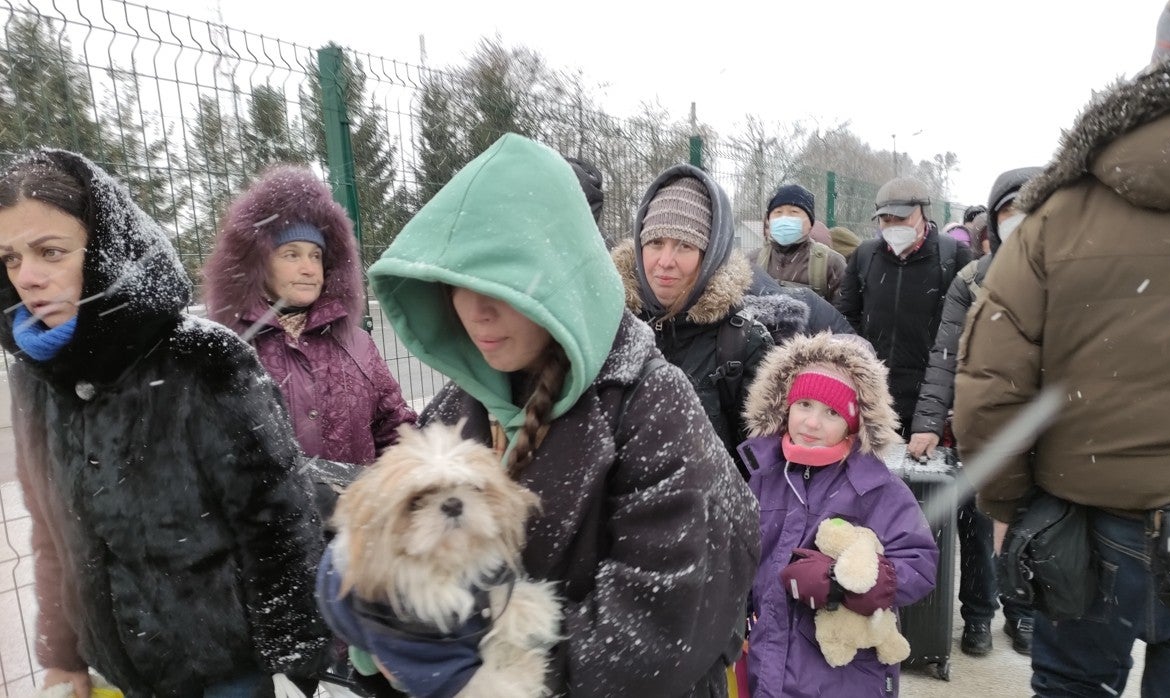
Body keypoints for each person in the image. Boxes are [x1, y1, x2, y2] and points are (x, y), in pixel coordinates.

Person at [363, 133, 760, 695]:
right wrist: (377, 622)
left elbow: (664, 624)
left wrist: (494, 672)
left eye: (501, 283)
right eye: (456, 283)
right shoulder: (461, 406)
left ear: (560, 277)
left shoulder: (654, 406)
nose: (475, 310)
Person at [954, 4, 1170, 694]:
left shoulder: (1062, 208)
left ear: (1158, 68)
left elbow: (992, 386)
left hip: (1085, 525)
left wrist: (1016, 507)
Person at [1, 149, 327, 697]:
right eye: (9, 258)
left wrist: (297, 661)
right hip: (113, 669)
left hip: (222, 673)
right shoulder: (35, 376)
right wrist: (63, 655)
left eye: (50, 252)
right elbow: (49, 534)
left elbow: (277, 520)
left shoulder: (199, 358)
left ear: (105, 248)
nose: (27, 277)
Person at [738, 332, 938, 697]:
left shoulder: (877, 490)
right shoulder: (764, 478)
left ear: (855, 423)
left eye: (831, 412)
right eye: (804, 405)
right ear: (785, 406)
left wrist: (840, 581)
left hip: (844, 676)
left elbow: (919, 564)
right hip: (767, 663)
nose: (812, 423)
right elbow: (740, 559)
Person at [907, 167, 1042, 657]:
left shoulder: (1072, 273)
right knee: (981, 528)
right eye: (1010, 210)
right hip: (982, 426)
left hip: (1047, 428)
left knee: (1036, 529)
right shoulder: (972, 280)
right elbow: (944, 356)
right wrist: (926, 423)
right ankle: (980, 616)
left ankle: (1025, 613)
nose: (1021, 220)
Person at [204, 165, 416, 466]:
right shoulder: (229, 347)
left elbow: (397, 431)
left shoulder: (357, 344)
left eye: (315, 255)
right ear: (259, 265)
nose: (308, 268)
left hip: (353, 511)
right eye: (291, 254)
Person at [610, 167, 775, 474]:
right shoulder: (610, 326)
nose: (665, 261)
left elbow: (762, 474)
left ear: (710, 253)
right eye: (656, 242)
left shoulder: (744, 343)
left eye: (684, 245)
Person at [834, 175, 973, 439]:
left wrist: (945, 400)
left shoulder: (954, 256)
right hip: (873, 398)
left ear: (923, 214)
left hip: (931, 397)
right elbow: (846, 316)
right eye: (887, 220)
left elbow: (967, 328)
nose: (894, 226)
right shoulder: (865, 256)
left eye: (902, 219)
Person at [748, 184, 847, 303]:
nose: (784, 218)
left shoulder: (831, 263)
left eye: (794, 212)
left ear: (810, 222)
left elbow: (843, 316)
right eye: (778, 212)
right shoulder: (752, 261)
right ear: (769, 220)